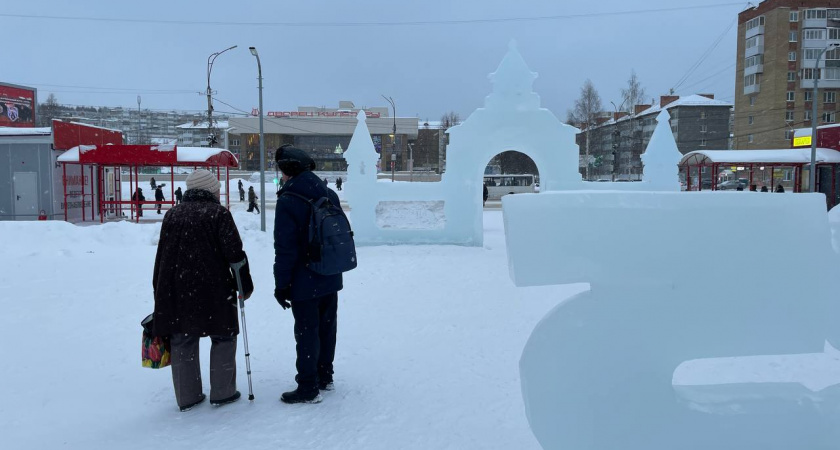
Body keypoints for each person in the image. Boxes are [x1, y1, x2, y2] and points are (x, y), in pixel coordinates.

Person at [152, 169, 254, 412]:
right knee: (223, 336)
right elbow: (235, 255)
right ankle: (223, 391)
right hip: (215, 287)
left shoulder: (172, 214)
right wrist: (244, 285)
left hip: (177, 288)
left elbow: (162, 256)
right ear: (210, 190)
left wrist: (158, 288)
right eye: (216, 189)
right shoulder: (218, 214)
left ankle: (187, 396)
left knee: (183, 338)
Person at [273, 144, 344, 404]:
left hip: (304, 279)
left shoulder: (289, 200)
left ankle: (307, 387)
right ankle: (325, 376)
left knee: (306, 332)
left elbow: (285, 249)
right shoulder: (329, 194)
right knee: (327, 328)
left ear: (287, 171)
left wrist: (281, 285)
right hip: (330, 273)